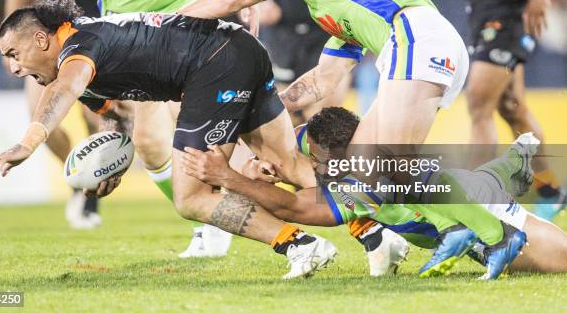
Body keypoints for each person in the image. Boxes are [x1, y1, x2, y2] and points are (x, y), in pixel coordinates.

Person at [178, 0, 531, 279]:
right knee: (367, 167)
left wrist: (168, 21)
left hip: (414, 38)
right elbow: (322, 81)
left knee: (391, 163)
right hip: (426, 41)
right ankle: (454, 228)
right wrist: (268, 109)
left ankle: (495, 235)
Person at [0, 0, 337, 280]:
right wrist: (113, 164)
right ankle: (373, 222)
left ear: (41, 39)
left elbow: (65, 88)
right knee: (286, 163)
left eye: (13, 55)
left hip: (211, 64)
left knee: (191, 197)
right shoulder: (83, 53)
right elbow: (118, 117)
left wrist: (28, 142)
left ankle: (298, 244)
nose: (13, 69)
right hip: (238, 49)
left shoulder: (77, 48)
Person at [32, 0, 259, 255]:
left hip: (188, 16)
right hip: (127, 29)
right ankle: (210, 218)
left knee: (222, 131)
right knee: (150, 145)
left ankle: (245, 218)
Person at [180, 107, 567, 278]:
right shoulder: (325, 137)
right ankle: (513, 162)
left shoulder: (366, 182)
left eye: (320, 164)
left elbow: (303, 210)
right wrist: (257, 170)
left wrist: (230, 178)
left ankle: (512, 166)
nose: (312, 168)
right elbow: (281, 159)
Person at [425, 0, 567, 220]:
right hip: (480, 16)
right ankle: (550, 189)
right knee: (512, 109)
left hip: (516, 16)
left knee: (478, 101)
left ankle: (474, 203)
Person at [5, 0, 102, 229]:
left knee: (97, 118)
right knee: (39, 116)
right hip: (47, 35)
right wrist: (10, 42)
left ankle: (91, 190)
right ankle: (77, 176)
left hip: (97, 29)